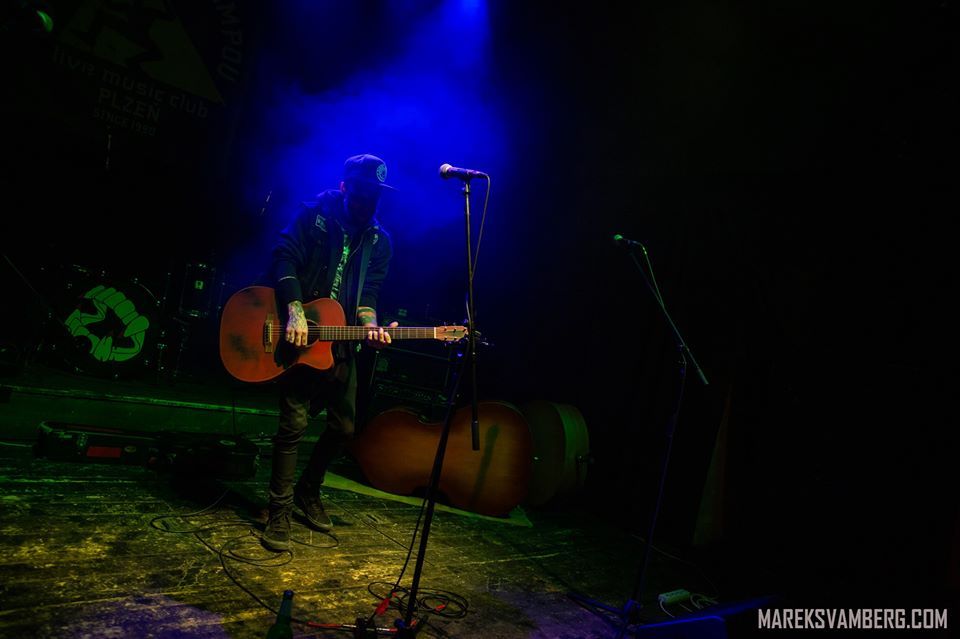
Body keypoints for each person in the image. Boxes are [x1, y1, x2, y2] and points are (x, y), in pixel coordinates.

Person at [262, 153, 397, 552]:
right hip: (299, 333)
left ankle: (308, 490)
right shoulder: (313, 214)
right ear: (344, 187)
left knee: (344, 427)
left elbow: (368, 297)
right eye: (362, 191)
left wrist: (370, 327)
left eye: (375, 194)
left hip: (340, 342)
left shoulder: (379, 241)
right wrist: (294, 308)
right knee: (294, 424)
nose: (368, 201)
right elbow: (284, 256)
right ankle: (278, 510)